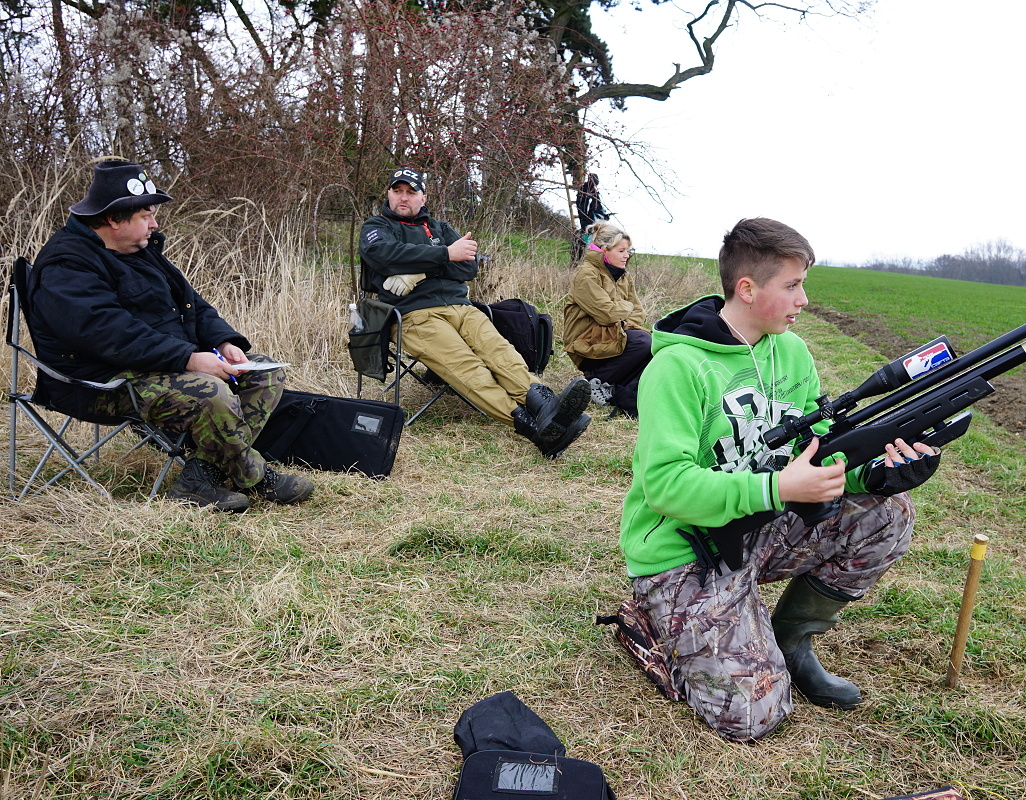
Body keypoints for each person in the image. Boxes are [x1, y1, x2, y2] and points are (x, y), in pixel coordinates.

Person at [618, 217, 940, 741]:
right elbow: (666, 486)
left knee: (887, 515)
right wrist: (776, 488)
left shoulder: (791, 352)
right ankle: (654, 626)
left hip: (762, 524)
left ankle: (789, 641)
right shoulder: (678, 368)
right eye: (792, 285)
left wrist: (878, 473)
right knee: (754, 717)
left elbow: (820, 449)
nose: (803, 300)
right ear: (747, 289)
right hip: (685, 551)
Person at [28, 159, 314, 512]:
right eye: (146, 216)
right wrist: (189, 359)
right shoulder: (66, 265)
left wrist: (224, 343)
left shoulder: (140, 251)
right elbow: (108, 333)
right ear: (114, 219)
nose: (155, 224)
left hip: (155, 367)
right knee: (210, 391)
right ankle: (256, 477)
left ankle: (199, 478)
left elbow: (193, 305)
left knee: (264, 372)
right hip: (101, 382)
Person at [359, 167, 591, 458]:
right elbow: (384, 255)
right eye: (398, 191)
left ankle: (548, 408)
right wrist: (446, 254)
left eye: (411, 192)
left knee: (502, 354)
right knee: (468, 368)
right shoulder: (377, 226)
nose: (403, 197)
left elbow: (468, 266)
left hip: (462, 308)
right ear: (389, 194)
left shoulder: (440, 228)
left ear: (423, 198)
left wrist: (418, 271)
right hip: (414, 315)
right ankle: (534, 428)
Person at [561, 221, 651, 418]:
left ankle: (618, 387)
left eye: (628, 250)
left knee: (655, 344)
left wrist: (622, 316)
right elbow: (607, 314)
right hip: (586, 343)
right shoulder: (586, 274)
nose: (627, 255)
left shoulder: (623, 276)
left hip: (613, 337)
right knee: (643, 342)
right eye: (621, 251)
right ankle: (594, 381)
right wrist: (625, 308)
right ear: (604, 250)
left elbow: (639, 313)